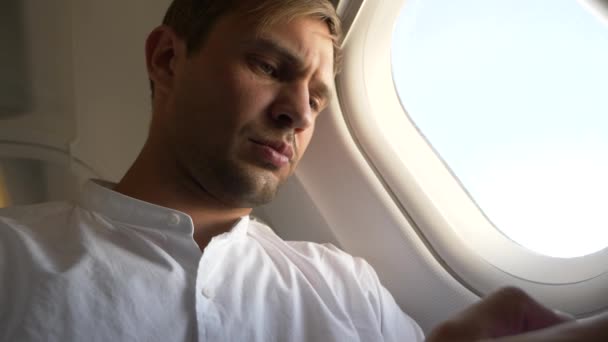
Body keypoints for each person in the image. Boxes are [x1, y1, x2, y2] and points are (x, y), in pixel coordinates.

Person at [0, 0, 606, 341]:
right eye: (268, 66)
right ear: (166, 60)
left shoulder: (347, 289)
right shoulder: (15, 259)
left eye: (318, 98)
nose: (297, 112)